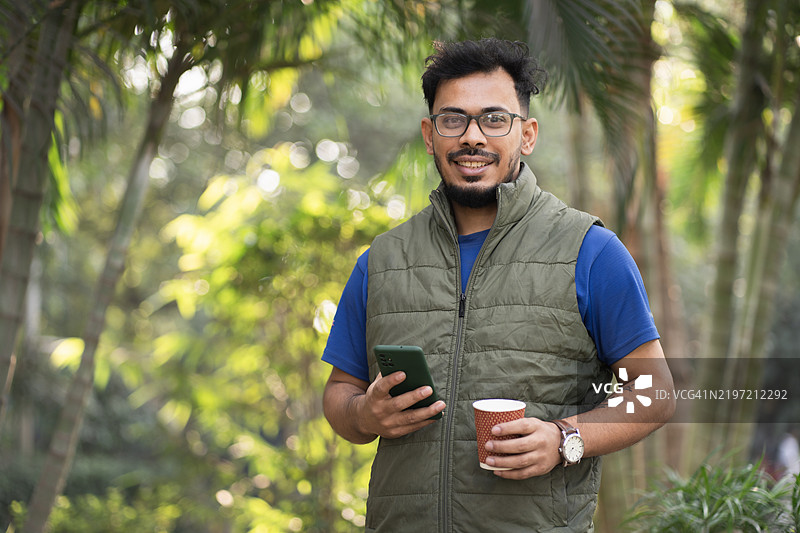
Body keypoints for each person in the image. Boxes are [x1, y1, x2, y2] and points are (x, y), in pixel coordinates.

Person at [322, 38, 675, 532]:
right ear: (429, 134)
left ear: (526, 134)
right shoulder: (381, 261)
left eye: (494, 118)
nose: (472, 136)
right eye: (453, 119)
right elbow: (340, 393)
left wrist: (563, 439)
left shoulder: (590, 251)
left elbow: (654, 391)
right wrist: (365, 415)